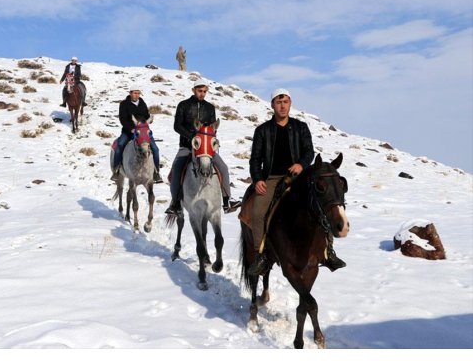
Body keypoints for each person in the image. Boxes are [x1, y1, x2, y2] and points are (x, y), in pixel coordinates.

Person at [245, 88, 346, 275]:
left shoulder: (300, 127)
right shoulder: (262, 131)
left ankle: (328, 250)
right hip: (273, 178)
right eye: (278, 102)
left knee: (324, 205)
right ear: (272, 105)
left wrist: (301, 164)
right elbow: (255, 159)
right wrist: (258, 179)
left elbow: (309, 151)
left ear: (290, 104)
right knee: (258, 212)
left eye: (285, 102)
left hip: (299, 176)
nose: (282, 106)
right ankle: (261, 256)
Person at [164, 79, 241, 215]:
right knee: (176, 170)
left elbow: (212, 128)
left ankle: (227, 200)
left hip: (205, 148)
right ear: (193, 90)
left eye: (205, 91)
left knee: (223, 167)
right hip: (187, 147)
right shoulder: (183, 105)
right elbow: (177, 125)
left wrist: (211, 140)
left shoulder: (210, 108)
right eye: (200, 91)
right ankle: (175, 203)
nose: (202, 94)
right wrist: (191, 136)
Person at [112, 86, 163, 183]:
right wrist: (130, 128)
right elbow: (122, 119)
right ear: (130, 93)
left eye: (138, 93)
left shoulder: (142, 103)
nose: (137, 95)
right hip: (129, 131)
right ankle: (116, 170)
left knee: (155, 149)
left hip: (143, 132)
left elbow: (146, 115)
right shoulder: (124, 104)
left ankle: (156, 173)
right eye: (135, 93)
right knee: (120, 145)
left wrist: (149, 119)